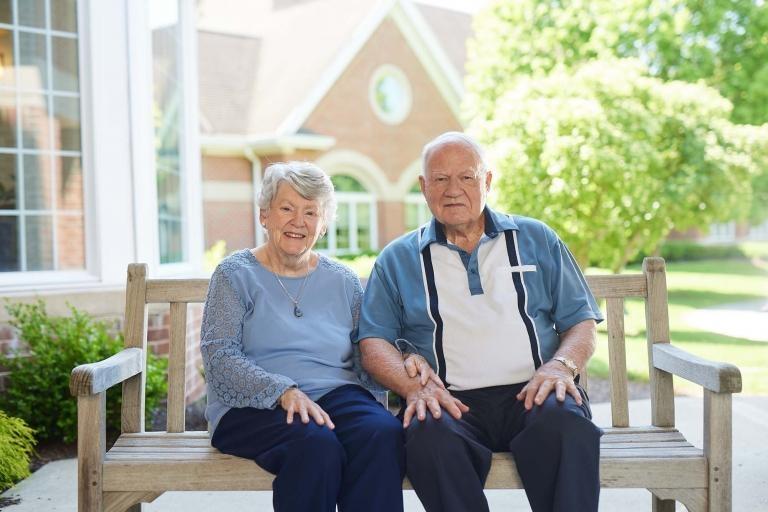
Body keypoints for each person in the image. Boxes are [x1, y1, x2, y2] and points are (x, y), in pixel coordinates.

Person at [358, 132, 604, 512]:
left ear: (487, 181)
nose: (453, 190)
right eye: (440, 179)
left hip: (534, 393)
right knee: (427, 436)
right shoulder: (397, 259)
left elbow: (581, 321)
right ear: (424, 187)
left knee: (567, 429)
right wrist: (412, 388)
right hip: (450, 400)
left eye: (466, 177)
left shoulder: (536, 238)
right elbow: (373, 342)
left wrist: (561, 366)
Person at [200, 161, 405, 512]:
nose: (299, 221)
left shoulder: (342, 279)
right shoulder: (234, 274)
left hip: (336, 394)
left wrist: (402, 366)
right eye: (287, 208)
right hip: (254, 405)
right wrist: (282, 391)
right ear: (265, 215)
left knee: (381, 433)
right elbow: (220, 356)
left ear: (322, 224)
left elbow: (365, 350)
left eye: (311, 212)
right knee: (315, 445)